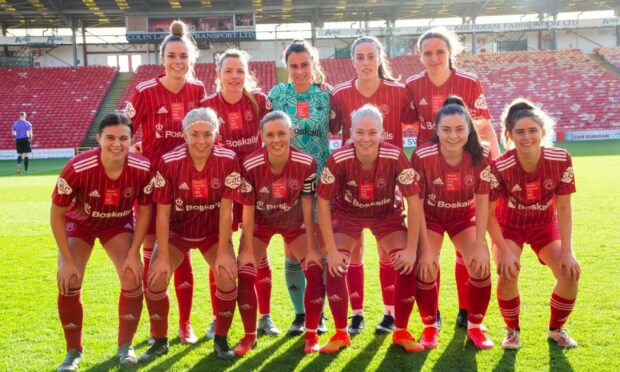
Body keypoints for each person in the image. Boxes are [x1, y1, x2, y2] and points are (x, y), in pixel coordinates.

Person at [405, 27, 501, 328]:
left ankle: (465, 310)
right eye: (428, 53)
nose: (434, 58)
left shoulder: (469, 82)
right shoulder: (412, 85)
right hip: (429, 171)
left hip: (464, 166)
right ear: (419, 56)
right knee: (428, 253)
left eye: (440, 52)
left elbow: (484, 126)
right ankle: (432, 315)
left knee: (469, 247)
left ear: (451, 52)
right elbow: (403, 122)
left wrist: (497, 164)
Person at [124, 20, 207, 345]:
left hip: (186, 185)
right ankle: (156, 324)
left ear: (191, 58)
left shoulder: (198, 91)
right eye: (172, 55)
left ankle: (185, 325)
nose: (177, 61)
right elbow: (123, 124)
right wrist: (132, 146)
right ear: (163, 58)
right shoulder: (145, 91)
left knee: (180, 252)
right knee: (151, 252)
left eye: (183, 56)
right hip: (150, 186)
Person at [317, 104, 424, 353]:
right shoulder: (339, 158)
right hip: (348, 215)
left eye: (372, 132)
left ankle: (401, 331)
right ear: (351, 132)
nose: (366, 139)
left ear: (382, 133)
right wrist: (331, 250)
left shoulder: (395, 156)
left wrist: (410, 248)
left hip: (386, 214)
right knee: (335, 264)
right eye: (360, 132)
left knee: (406, 263)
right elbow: (322, 202)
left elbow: (414, 199)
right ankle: (340, 334)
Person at [51, 113, 152, 371]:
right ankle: (73, 351)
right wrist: (66, 260)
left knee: (131, 275)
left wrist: (134, 253)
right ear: (98, 138)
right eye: (110, 138)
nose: (116, 144)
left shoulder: (142, 167)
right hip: (80, 223)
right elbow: (57, 213)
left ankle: (125, 346)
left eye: (123, 138)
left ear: (131, 140)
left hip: (117, 224)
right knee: (69, 280)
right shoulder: (77, 167)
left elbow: (146, 212)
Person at [140, 108, 242, 362]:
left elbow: (226, 211)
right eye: (195, 134)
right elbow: (162, 214)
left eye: (208, 134)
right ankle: (160, 341)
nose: (201, 140)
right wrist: (162, 255)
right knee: (155, 278)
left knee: (227, 275)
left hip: (211, 232)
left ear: (216, 134)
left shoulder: (228, 159)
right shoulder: (169, 161)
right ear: (184, 135)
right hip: (178, 231)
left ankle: (221, 339)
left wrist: (223, 252)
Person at [329, 35, 413, 335]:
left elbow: (424, 121)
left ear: (380, 58)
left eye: (370, 56)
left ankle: (390, 314)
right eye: (360, 57)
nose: (365, 63)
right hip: (350, 183)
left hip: (387, 183)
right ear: (353, 61)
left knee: (386, 251)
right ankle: (357, 313)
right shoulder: (340, 94)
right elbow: (329, 127)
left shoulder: (400, 92)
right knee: (352, 252)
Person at [487, 98, 580, 349]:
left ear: (543, 132)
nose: (526, 137)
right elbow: (489, 214)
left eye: (532, 131)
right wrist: (504, 252)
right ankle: (512, 331)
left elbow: (563, 207)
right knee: (508, 272)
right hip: (509, 227)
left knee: (570, 273)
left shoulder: (561, 159)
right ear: (509, 135)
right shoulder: (500, 166)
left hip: (544, 226)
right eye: (519, 132)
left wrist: (568, 252)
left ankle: (556, 329)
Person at [235, 111, 324, 355]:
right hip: (260, 224)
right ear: (261, 136)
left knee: (315, 269)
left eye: (282, 133)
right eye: (270, 134)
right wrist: (245, 247)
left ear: (291, 133)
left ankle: (312, 334)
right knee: (245, 271)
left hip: (293, 224)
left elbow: (307, 203)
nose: (276, 139)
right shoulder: (250, 164)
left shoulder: (306, 163)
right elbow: (248, 207)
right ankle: (248, 336)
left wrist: (312, 245)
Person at [411, 96, 494, 349]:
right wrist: (425, 249)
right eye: (446, 129)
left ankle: (475, 328)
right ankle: (429, 328)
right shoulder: (423, 155)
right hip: (430, 217)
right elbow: (415, 203)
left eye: (460, 129)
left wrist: (480, 244)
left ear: (469, 129)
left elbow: (482, 200)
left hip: (462, 216)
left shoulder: (483, 153)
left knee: (480, 264)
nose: (453, 135)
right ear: (436, 130)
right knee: (425, 267)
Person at [201, 48, 273, 338]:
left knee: (258, 252)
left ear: (247, 74)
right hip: (219, 191)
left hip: (255, 189)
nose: (234, 76)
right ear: (218, 74)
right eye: (228, 71)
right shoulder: (207, 105)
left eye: (240, 71)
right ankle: (218, 315)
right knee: (221, 251)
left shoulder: (259, 102)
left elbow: (273, 137)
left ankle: (265, 316)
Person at [268, 39, 331, 336]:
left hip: (319, 179)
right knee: (293, 250)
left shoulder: (326, 96)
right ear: (286, 66)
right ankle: (300, 314)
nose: (299, 70)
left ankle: (323, 314)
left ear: (313, 63)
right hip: (286, 181)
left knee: (318, 247)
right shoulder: (277, 94)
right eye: (293, 65)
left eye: (305, 64)